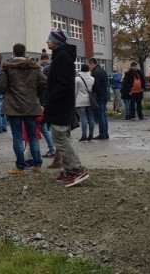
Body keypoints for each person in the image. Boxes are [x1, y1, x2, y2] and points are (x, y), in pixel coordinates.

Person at [43, 29, 89, 187]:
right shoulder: (61, 56)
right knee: (61, 138)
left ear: (56, 42)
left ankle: (77, 169)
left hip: (60, 106)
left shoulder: (62, 57)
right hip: (61, 105)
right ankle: (69, 171)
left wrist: (50, 98)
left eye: (49, 39)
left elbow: (63, 84)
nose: (47, 41)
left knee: (61, 138)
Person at [0, 43, 46, 175]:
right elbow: (43, 82)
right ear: (25, 53)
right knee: (32, 136)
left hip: (13, 106)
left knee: (18, 137)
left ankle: (20, 167)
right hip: (31, 105)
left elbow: (1, 86)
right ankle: (37, 165)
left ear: (13, 52)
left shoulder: (7, 67)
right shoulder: (34, 67)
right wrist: (35, 92)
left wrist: (6, 92)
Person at [88, 58, 109, 139]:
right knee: (104, 115)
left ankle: (102, 134)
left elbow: (96, 85)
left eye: (89, 65)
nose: (89, 67)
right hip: (105, 95)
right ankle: (106, 133)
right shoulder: (103, 71)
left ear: (92, 63)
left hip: (99, 96)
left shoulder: (95, 72)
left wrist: (94, 93)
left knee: (101, 116)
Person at [75, 64, 96, 141]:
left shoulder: (77, 79)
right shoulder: (92, 78)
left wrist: (74, 101)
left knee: (83, 118)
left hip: (80, 100)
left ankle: (84, 135)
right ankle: (91, 134)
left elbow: (75, 91)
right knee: (91, 118)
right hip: (90, 100)